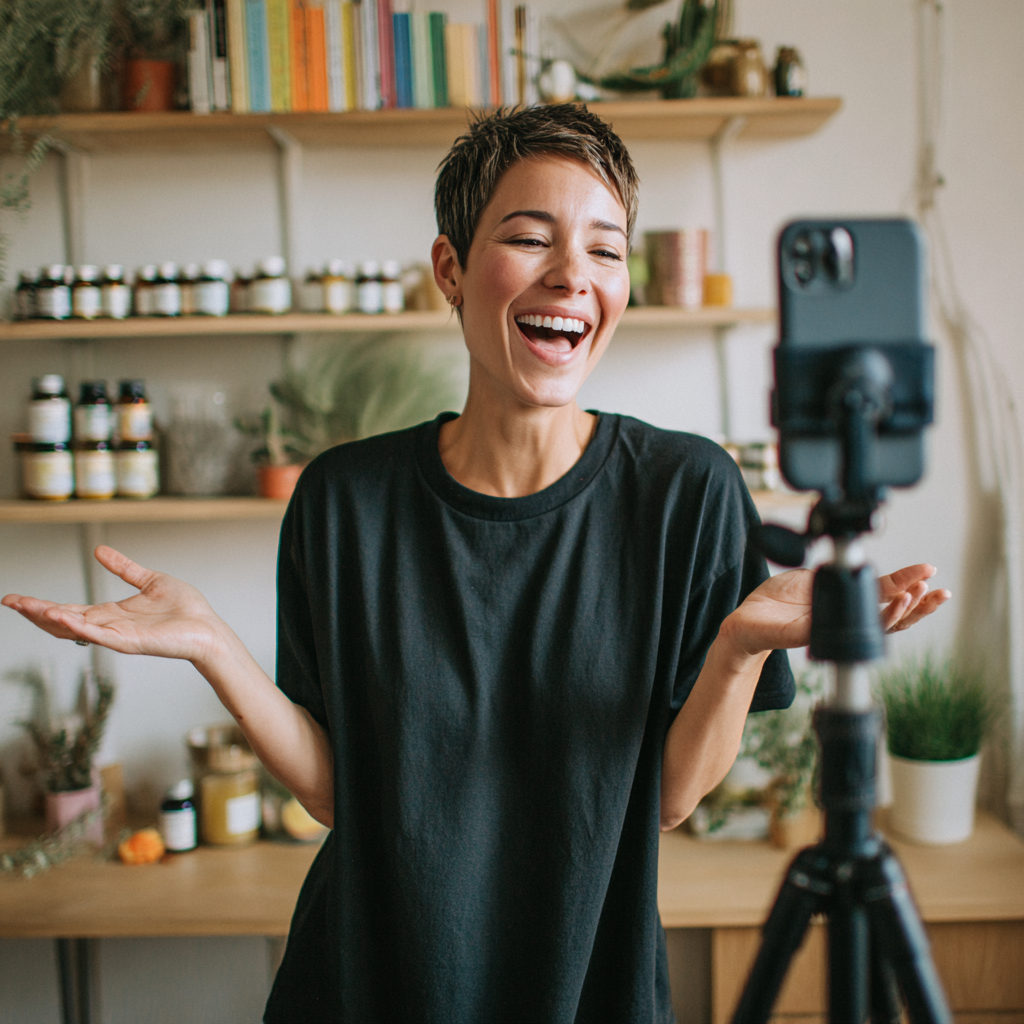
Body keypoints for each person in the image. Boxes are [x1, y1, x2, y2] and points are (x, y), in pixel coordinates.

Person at [2, 105, 948, 1023]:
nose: (573, 275)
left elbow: (664, 800)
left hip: (587, 988)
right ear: (450, 270)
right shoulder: (343, 500)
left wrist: (739, 643)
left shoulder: (686, 490)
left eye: (606, 249)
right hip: (364, 987)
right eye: (531, 239)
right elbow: (340, 793)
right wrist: (214, 646)